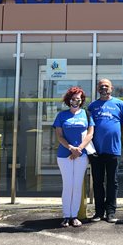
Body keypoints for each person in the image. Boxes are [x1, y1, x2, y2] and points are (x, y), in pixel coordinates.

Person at [52, 86, 94, 228]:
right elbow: (59, 135)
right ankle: (66, 216)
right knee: (68, 185)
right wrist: (71, 148)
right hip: (64, 156)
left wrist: (79, 149)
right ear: (68, 99)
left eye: (79, 98)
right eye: (73, 98)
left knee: (77, 186)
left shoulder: (86, 115)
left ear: (81, 100)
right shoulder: (61, 115)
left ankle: (74, 216)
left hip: (81, 155)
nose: (76, 100)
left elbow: (90, 134)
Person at [88, 78, 123, 223]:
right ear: (98, 89)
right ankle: (99, 212)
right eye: (101, 86)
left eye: (106, 86)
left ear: (111, 88)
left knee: (112, 181)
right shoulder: (92, 106)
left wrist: (120, 139)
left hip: (113, 149)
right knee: (98, 182)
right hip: (96, 151)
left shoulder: (119, 104)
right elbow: (88, 127)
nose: (104, 88)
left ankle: (111, 212)